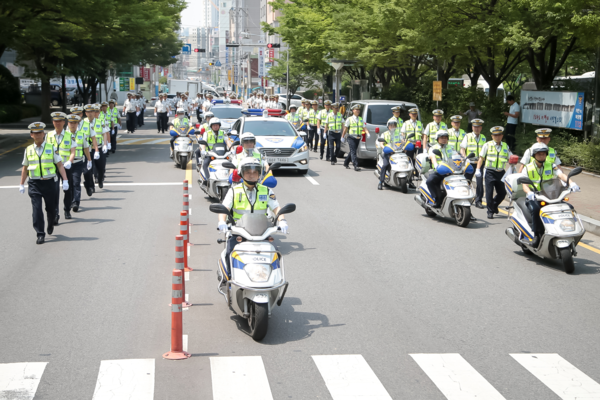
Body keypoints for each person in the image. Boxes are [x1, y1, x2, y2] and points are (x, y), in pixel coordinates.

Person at [217, 157, 288, 272]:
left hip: (262, 232)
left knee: (274, 254)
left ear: (259, 174)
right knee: (230, 253)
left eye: (255, 172)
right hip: (238, 231)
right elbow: (224, 208)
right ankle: (229, 280)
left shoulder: (266, 190)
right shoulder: (234, 190)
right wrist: (222, 221)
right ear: (241, 173)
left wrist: (282, 221)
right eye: (248, 172)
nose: (251, 175)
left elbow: (276, 208)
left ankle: (276, 280)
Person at [19, 122, 69, 244]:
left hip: (50, 183)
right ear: (31, 135)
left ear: (44, 134)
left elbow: (60, 165)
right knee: (36, 209)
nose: (38, 135)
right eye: (35, 133)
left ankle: (51, 223)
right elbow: (25, 168)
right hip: (34, 184)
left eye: (40, 132)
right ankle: (40, 233)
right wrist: (21, 183)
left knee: (51, 209)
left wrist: (65, 180)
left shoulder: (51, 148)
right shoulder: (28, 150)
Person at [522, 143, 580, 247]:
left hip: (550, 196)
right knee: (536, 210)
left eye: (543, 154)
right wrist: (529, 193)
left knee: (568, 207)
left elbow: (561, 175)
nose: (541, 156)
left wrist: (571, 183)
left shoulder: (551, 165)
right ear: (534, 155)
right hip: (535, 196)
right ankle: (537, 235)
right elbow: (524, 185)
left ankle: (567, 229)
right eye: (539, 154)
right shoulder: (527, 168)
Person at [475, 126, 513, 219]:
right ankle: (490, 211)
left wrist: (513, 161)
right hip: (490, 172)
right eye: (495, 135)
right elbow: (481, 158)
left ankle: (494, 205)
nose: (497, 137)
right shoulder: (487, 145)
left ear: (502, 136)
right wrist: (478, 169)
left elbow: (510, 157)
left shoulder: (505, 146)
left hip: (501, 173)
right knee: (489, 192)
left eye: (499, 135)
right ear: (492, 136)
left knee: (502, 193)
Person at [46, 112, 76, 223]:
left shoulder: (69, 135)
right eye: (55, 121)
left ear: (64, 122)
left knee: (68, 189)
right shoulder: (48, 135)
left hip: (66, 166)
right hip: (53, 167)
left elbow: (73, 152)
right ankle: (55, 214)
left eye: (60, 121)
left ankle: (67, 209)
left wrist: (69, 161)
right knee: (54, 191)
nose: (57, 123)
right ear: (53, 122)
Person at [65, 114, 92, 213]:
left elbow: (86, 148)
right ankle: (70, 201)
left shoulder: (82, 134)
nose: (72, 125)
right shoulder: (64, 135)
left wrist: (89, 160)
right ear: (68, 123)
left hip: (78, 162)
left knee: (76, 182)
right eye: (71, 123)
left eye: (75, 123)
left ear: (77, 124)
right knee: (69, 183)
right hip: (66, 163)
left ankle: (76, 202)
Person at [70, 106, 98, 197]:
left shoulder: (87, 125)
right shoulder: (69, 127)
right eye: (74, 114)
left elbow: (93, 138)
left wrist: (96, 150)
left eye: (78, 114)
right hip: (73, 155)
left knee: (87, 172)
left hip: (86, 152)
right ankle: (75, 197)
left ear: (81, 114)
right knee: (74, 178)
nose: (77, 116)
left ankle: (89, 185)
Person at [459, 118, 486, 208]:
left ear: (481, 128)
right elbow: (462, 148)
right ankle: (464, 197)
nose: (476, 128)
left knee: (479, 182)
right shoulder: (467, 136)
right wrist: (464, 157)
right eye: (475, 127)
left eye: (478, 127)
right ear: (472, 127)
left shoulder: (483, 137)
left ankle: (478, 201)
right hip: (470, 162)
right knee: (467, 181)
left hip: (479, 163)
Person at [426, 130, 455, 207]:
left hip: (451, 172)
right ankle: (436, 199)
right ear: (437, 138)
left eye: (445, 137)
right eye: (442, 137)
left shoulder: (451, 147)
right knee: (430, 181)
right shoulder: (433, 148)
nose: (444, 139)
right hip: (439, 172)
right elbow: (432, 157)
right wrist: (436, 165)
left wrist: (463, 160)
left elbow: (457, 156)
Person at [199, 117, 228, 185]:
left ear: (219, 126)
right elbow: (204, 142)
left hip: (221, 154)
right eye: (214, 125)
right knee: (205, 164)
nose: (215, 126)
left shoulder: (223, 133)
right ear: (211, 126)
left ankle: (231, 179)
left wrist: (232, 149)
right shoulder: (207, 133)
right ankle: (207, 179)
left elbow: (228, 142)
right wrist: (203, 150)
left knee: (230, 164)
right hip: (210, 153)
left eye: (217, 125)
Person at [376, 119, 403, 190]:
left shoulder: (398, 133)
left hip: (397, 152)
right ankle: (380, 182)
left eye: (394, 125)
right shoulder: (384, 134)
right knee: (385, 165)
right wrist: (385, 148)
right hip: (387, 153)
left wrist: (404, 143)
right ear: (388, 126)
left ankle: (409, 181)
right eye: (391, 125)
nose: (392, 127)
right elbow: (381, 144)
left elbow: (403, 141)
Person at [342, 104, 368, 171]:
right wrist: (343, 136)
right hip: (351, 137)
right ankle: (355, 165)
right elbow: (345, 128)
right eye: (356, 109)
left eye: (359, 110)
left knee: (352, 151)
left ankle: (346, 163)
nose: (358, 111)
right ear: (353, 110)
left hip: (358, 138)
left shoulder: (360, 119)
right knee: (354, 152)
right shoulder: (349, 119)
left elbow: (364, 127)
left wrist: (368, 133)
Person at [400, 108, 423, 182]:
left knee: (419, 158)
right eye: (412, 114)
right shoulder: (406, 123)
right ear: (409, 114)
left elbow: (422, 134)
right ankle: (410, 173)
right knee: (409, 158)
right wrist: (404, 143)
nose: (414, 115)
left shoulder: (419, 123)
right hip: (409, 143)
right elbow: (402, 134)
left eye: (415, 114)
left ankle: (417, 173)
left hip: (418, 143)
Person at [89, 105, 107, 188]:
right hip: (88, 149)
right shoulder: (84, 123)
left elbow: (104, 133)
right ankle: (92, 183)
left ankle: (100, 179)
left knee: (101, 166)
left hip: (99, 147)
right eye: (93, 112)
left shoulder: (100, 122)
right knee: (90, 168)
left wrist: (105, 145)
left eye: (96, 112)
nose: (94, 113)